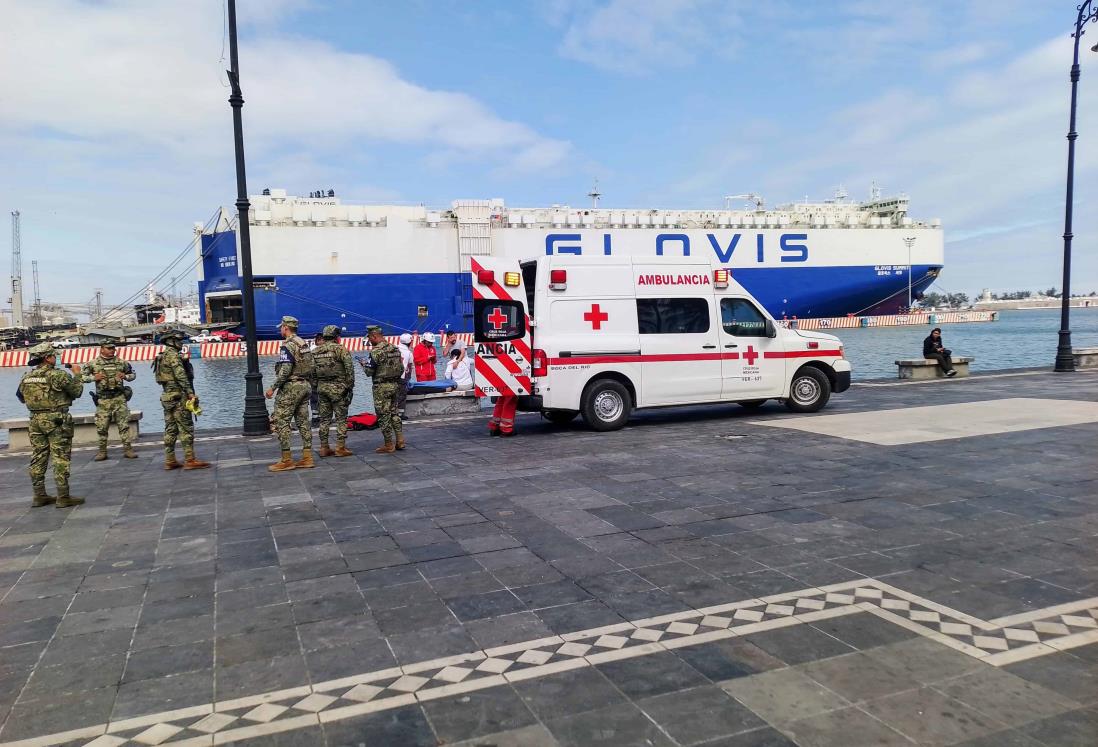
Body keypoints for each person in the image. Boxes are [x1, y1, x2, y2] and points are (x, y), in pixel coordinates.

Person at [17, 343, 84, 507]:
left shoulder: (27, 376)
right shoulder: (58, 375)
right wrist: (77, 374)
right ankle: (63, 496)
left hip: (35, 420)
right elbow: (77, 392)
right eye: (54, 355)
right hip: (56, 420)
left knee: (38, 456)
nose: (56, 358)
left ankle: (39, 495)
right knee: (60, 456)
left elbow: (21, 397)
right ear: (48, 357)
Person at [153, 329, 210, 470]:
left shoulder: (162, 356)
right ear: (171, 341)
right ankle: (190, 459)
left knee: (170, 429)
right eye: (178, 340)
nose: (181, 343)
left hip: (167, 396)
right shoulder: (173, 356)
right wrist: (190, 393)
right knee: (186, 428)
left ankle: (170, 459)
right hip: (179, 396)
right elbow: (180, 376)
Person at [265, 316, 315, 471]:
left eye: (281, 327)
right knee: (303, 422)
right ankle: (307, 458)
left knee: (281, 420)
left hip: (291, 386)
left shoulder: (287, 345)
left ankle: (286, 459)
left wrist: (273, 387)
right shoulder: (302, 343)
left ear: (286, 327)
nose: (280, 330)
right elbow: (311, 365)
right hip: (304, 385)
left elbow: (285, 369)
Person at [83, 340, 137, 460]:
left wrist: (126, 376)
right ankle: (102, 452)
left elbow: (133, 374)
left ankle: (128, 449)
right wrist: (93, 377)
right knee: (102, 427)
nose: (112, 350)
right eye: (109, 348)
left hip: (119, 398)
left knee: (123, 426)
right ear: (101, 349)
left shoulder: (121, 362)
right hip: (103, 400)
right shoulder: (93, 363)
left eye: (113, 348)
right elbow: (81, 377)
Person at [313, 324, 355, 457]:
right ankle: (340, 447)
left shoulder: (315, 351)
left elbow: (311, 373)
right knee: (341, 418)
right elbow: (349, 370)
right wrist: (349, 387)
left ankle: (324, 447)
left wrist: (316, 386)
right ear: (337, 337)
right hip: (339, 389)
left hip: (322, 388)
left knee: (324, 419)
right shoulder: (341, 350)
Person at [363, 325, 405, 453]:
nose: (369, 341)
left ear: (374, 336)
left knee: (383, 415)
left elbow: (369, 372)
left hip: (381, 387)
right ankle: (400, 440)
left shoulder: (376, 351)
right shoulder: (395, 349)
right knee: (394, 413)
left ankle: (388, 444)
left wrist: (364, 365)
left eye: (370, 337)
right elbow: (401, 369)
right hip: (395, 385)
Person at [396, 332, 414, 418]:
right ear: (409, 342)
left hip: (392, 376)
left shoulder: (395, 349)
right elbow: (409, 367)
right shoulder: (408, 353)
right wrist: (408, 379)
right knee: (402, 395)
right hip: (402, 377)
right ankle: (400, 414)